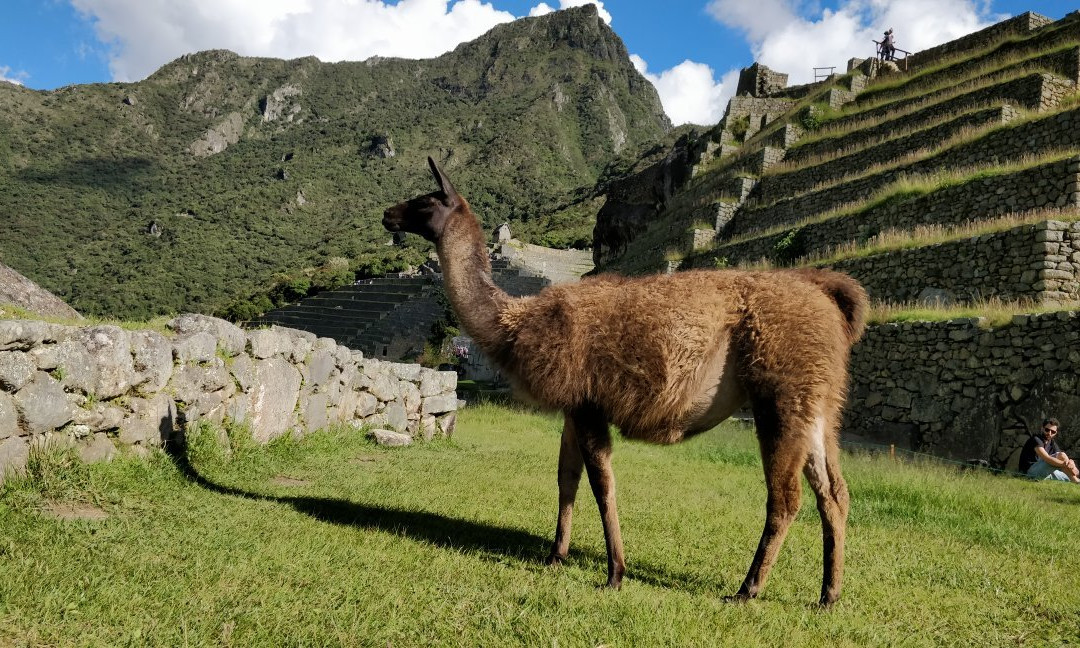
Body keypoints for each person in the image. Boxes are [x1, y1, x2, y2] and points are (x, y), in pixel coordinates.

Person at [1019, 418, 1080, 483]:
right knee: (1061, 457)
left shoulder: (1052, 443)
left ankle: (1076, 479)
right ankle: (1075, 481)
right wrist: (1065, 464)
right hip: (1030, 472)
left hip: (1044, 471)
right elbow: (1047, 458)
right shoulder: (1035, 439)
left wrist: (1071, 463)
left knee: (1067, 477)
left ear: (1056, 433)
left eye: (1053, 432)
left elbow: (1062, 457)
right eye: (1047, 430)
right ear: (1042, 428)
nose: (1049, 433)